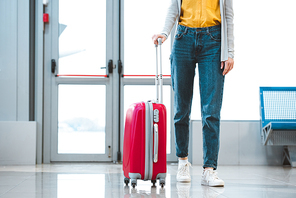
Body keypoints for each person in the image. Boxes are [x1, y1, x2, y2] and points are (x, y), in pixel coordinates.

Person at [152, 0, 234, 187]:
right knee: (181, 108)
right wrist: (165, 32)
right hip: (183, 38)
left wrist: (230, 52)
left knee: (211, 111)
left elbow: (228, 16)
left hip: (213, 40)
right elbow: (174, 7)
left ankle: (209, 170)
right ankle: (183, 161)